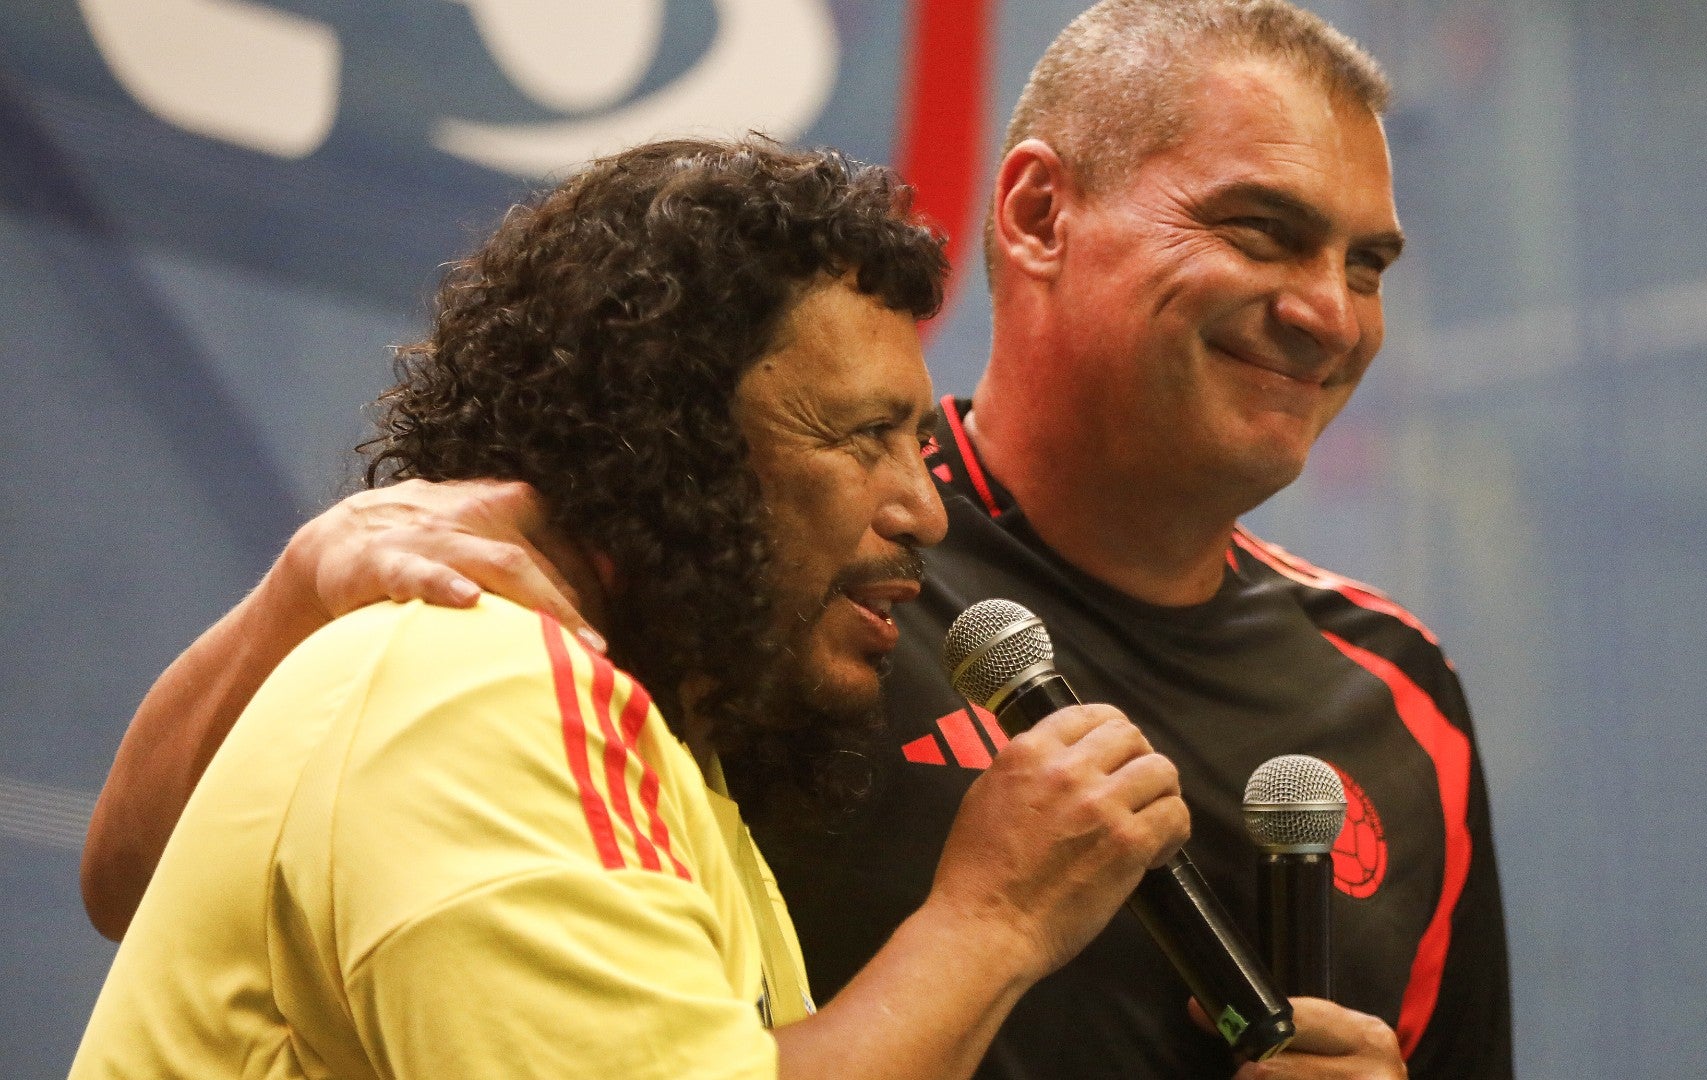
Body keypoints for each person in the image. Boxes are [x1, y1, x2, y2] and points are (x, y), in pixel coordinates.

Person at [84, 2, 1513, 1078]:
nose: (1328, 308)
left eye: (1368, 263)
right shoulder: (720, 578)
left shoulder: (1398, 697)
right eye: (1263, 232)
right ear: (1037, 213)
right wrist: (304, 583)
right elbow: (145, 874)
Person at [69, 138, 1194, 1080]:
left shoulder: (676, 765)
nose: (925, 511)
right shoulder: (490, 686)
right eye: (861, 438)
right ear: (671, 442)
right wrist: (990, 924)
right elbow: (124, 881)